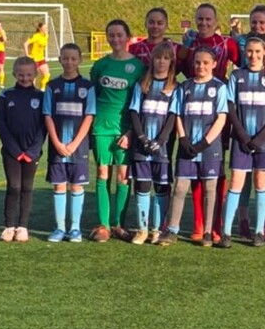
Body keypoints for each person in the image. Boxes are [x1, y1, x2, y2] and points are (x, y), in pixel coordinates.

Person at [177, 3, 239, 243]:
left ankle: (215, 225)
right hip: (194, 107)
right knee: (194, 166)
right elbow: (178, 68)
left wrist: (237, 36)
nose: (203, 23)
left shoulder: (226, 43)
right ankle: (198, 223)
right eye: (200, 19)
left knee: (215, 168)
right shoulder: (189, 43)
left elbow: (242, 63)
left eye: (208, 19)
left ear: (215, 21)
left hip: (217, 106)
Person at [158, 47, 228, 247]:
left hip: (210, 147)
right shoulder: (184, 87)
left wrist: (204, 142)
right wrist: (183, 138)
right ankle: (172, 230)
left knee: (210, 189)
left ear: (214, 64)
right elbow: (178, 114)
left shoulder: (219, 87)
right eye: (197, 62)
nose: (201, 66)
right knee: (180, 188)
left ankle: (207, 232)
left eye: (205, 63)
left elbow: (221, 118)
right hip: (187, 146)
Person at [219, 36, 265, 248]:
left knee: (260, 182)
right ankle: (226, 232)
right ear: (244, 52)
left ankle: (259, 232)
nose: (253, 55)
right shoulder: (237, 75)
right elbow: (230, 107)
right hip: (242, 140)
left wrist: (261, 137)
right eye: (249, 51)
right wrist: (243, 135)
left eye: (257, 51)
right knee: (236, 182)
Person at [89, 19, 144, 242]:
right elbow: (94, 95)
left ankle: (119, 224)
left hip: (125, 128)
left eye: (120, 35)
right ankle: (103, 225)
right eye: (111, 35)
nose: (115, 39)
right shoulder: (100, 65)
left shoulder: (138, 67)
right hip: (101, 127)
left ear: (128, 37)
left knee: (123, 176)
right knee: (103, 173)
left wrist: (131, 132)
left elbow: (140, 101)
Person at [234, 5, 265, 241]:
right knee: (242, 171)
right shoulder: (242, 45)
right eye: (254, 22)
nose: (257, 26)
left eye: (262, 22)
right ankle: (243, 219)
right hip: (246, 115)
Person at [43, 43, 96, 243]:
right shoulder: (52, 86)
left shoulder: (87, 87)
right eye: (65, 58)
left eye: (73, 59)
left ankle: (75, 228)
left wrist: (74, 143)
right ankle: (59, 228)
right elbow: (47, 115)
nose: (69, 62)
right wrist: (57, 143)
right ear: (59, 60)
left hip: (78, 147)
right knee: (59, 186)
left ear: (80, 60)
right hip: (57, 147)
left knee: (76, 186)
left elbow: (89, 116)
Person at [128, 42, 179, 244]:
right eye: (158, 57)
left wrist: (160, 140)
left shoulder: (175, 87)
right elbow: (134, 112)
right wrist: (141, 138)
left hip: (162, 148)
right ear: (152, 60)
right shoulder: (142, 84)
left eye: (166, 58)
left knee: (161, 187)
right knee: (142, 185)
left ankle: (157, 230)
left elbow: (173, 116)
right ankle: (142, 229)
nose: (161, 62)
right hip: (141, 145)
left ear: (171, 61)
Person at [0, 56, 47, 242]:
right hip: (12, 152)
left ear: (35, 74)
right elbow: (1, 124)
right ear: (14, 74)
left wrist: (33, 150)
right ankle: (9, 226)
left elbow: (43, 126)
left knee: (27, 187)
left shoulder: (41, 96)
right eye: (21, 75)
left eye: (29, 75)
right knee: (14, 186)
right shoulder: (6, 95)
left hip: (32, 152)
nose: (25, 78)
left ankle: (23, 226)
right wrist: (15, 150)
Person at [24, 20, 50, 91]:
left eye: (46, 28)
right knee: (34, 78)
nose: (46, 29)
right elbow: (25, 44)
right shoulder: (36, 36)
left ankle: (42, 89)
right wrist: (27, 55)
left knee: (47, 75)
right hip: (34, 59)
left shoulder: (46, 36)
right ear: (40, 28)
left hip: (41, 59)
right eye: (44, 28)